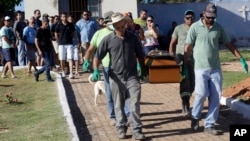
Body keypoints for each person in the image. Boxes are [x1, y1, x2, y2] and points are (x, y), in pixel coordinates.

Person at [184, 3, 248, 135]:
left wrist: (240, 58)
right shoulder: (195, 27)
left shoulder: (218, 28)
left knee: (215, 97)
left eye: (213, 17)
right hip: (200, 68)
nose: (211, 19)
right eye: (209, 17)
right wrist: (185, 64)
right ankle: (195, 117)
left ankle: (209, 124)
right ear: (203, 14)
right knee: (201, 94)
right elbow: (188, 46)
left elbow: (228, 43)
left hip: (215, 69)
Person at [92, 12, 147, 140]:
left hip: (132, 76)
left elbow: (140, 54)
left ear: (125, 24)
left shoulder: (132, 38)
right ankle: (121, 127)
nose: (121, 29)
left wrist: (143, 68)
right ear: (113, 27)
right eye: (118, 27)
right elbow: (97, 56)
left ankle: (136, 129)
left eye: (123, 26)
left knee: (134, 103)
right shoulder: (108, 40)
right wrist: (95, 69)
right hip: (115, 77)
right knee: (118, 104)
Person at [83, 11, 130, 126]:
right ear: (105, 23)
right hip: (107, 67)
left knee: (125, 91)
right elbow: (90, 49)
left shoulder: (122, 33)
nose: (112, 24)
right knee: (109, 92)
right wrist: (86, 61)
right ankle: (112, 116)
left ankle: (127, 114)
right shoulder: (99, 34)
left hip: (122, 66)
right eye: (109, 22)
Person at [168, 10, 195, 117]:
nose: (190, 19)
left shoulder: (197, 28)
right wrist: (172, 54)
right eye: (188, 17)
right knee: (185, 83)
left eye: (192, 17)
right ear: (184, 18)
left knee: (193, 84)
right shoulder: (178, 28)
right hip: (182, 60)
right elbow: (172, 43)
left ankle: (186, 100)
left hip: (194, 60)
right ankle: (185, 105)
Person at [55, 12, 75, 78]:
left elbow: (73, 33)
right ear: (61, 18)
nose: (64, 18)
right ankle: (63, 72)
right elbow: (56, 33)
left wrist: (70, 38)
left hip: (69, 43)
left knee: (70, 58)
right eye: (63, 16)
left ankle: (71, 73)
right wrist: (58, 40)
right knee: (62, 59)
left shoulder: (70, 25)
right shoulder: (58, 25)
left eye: (65, 16)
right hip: (61, 44)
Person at [34, 17, 54, 82]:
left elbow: (50, 40)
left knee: (48, 64)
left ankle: (37, 73)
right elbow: (36, 41)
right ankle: (48, 78)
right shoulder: (39, 30)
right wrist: (39, 50)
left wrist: (53, 49)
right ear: (42, 23)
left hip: (49, 48)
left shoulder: (48, 30)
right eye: (45, 24)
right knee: (47, 64)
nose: (47, 25)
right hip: (42, 50)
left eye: (47, 24)